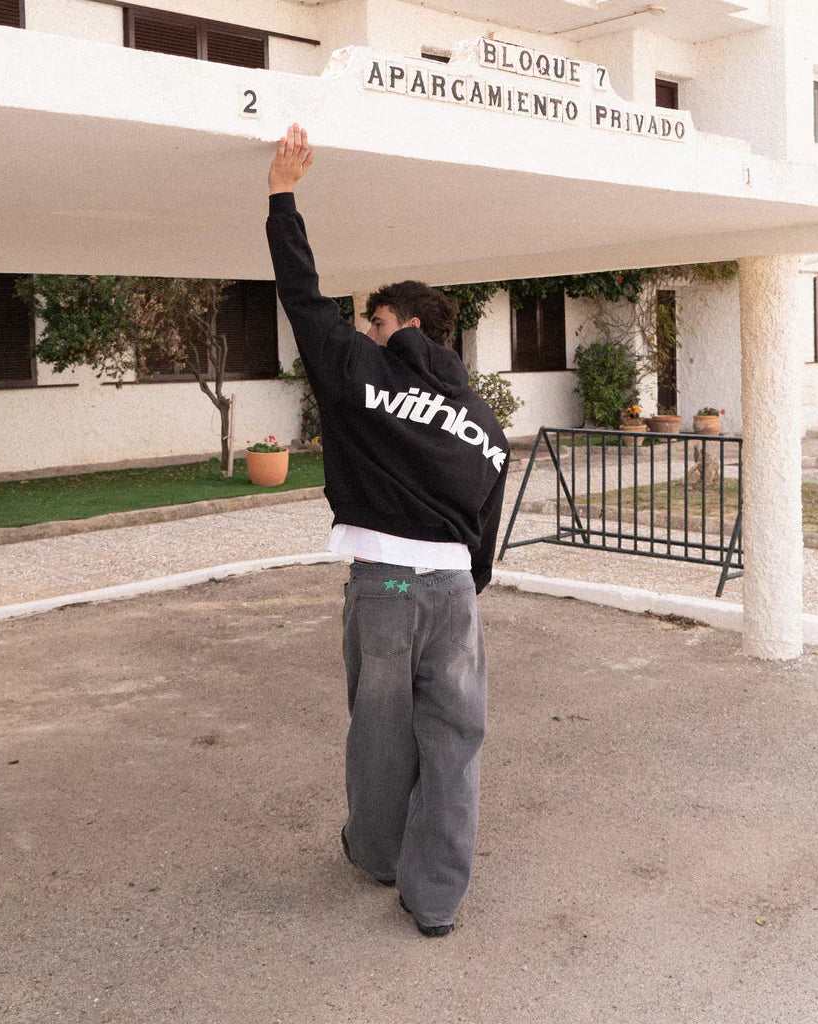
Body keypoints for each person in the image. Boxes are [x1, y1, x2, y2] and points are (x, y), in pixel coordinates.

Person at [266, 124, 509, 937]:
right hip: (455, 593)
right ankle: (435, 900)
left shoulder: (362, 371)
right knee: (454, 743)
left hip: (386, 587)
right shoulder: (482, 419)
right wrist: (465, 588)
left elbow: (304, 300)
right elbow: (485, 521)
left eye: (371, 321)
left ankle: (376, 856)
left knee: (381, 734)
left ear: (396, 322)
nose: (363, 332)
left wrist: (282, 196)